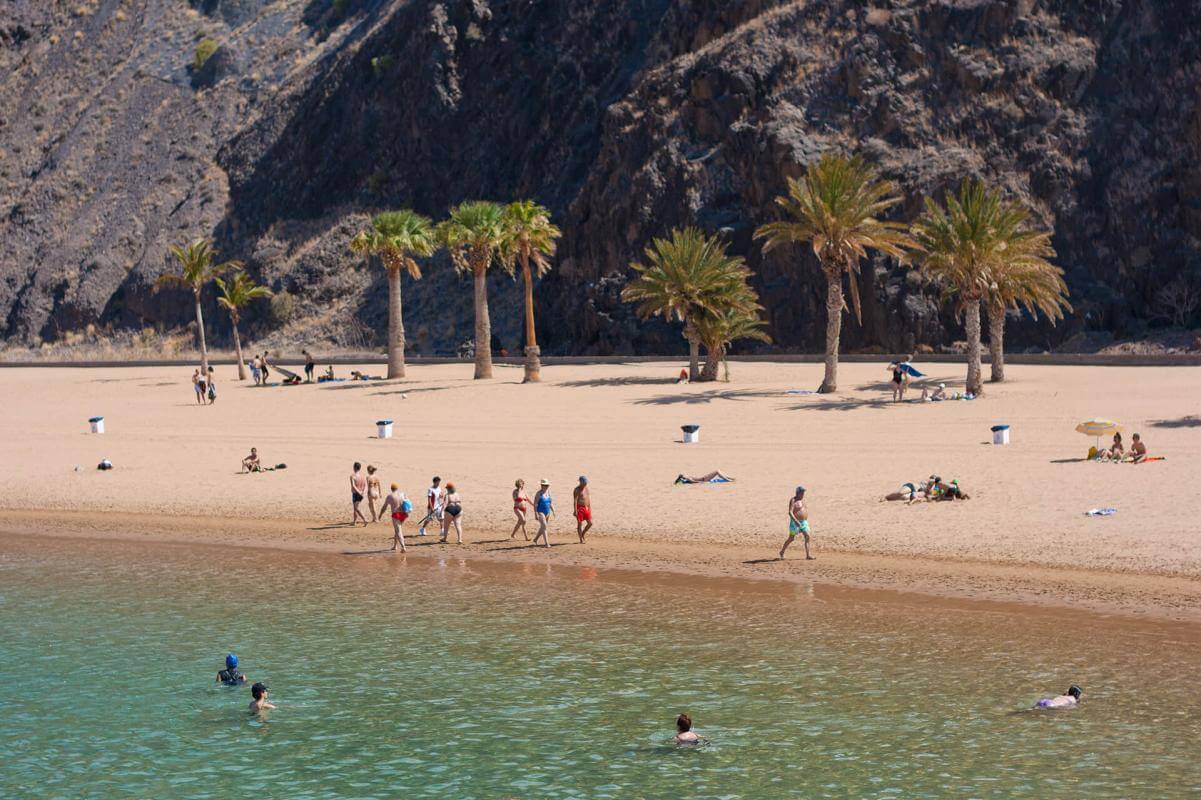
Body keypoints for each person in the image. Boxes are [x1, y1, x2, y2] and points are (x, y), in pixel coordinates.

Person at [779, 485, 813, 560]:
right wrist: (796, 521)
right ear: (797, 493)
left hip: (804, 522)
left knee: (807, 536)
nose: (803, 494)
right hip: (795, 523)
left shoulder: (802, 500)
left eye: (803, 492)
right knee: (791, 538)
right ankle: (782, 552)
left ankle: (808, 555)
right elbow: (790, 512)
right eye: (801, 492)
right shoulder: (793, 500)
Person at [379, 483, 410, 552]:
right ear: (397, 488)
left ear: (391, 488)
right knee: (397, 529)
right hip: (404, 514)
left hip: (396, 514)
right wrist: (407, 513)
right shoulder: (403, 494)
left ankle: (403, 547)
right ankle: (395, 546)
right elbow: (408, 503)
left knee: (399, 530)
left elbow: (384, 507)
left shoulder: (390, 496)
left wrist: (380, 515)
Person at [532, 479, 554, 548]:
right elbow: (535, 504)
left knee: (543, 527)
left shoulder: (548, 492)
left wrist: (553, 511)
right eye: (545, 485)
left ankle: (535, 539)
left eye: (547, 485)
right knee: (544, 526)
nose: (546, 487)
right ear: (541, 486)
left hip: (547, 512)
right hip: (540, 511)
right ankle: (547, 543)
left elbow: (550, 503)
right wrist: (535, 513)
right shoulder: (538, 493)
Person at [573, 475, 593, 543]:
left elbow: (588, 498)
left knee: (590, 523)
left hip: (586, 508)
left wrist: (589, 508)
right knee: (580, 524)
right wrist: (575, 510)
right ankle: (581, 539)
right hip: (579, 508)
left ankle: (583, 534)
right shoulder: (577, 490)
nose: (585, 483)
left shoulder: (586, 488)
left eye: (586, 482)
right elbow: (575, 501)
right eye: (584, 482)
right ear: (580, 482)